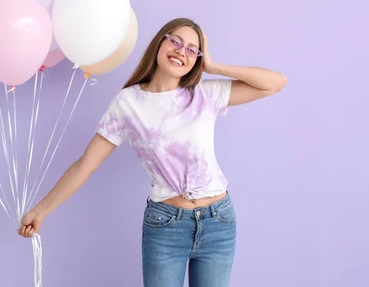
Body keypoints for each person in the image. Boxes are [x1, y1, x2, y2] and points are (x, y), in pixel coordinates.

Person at [18, 18, 287, 286]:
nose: (181, 51)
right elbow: (85, 165)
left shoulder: (204, 94)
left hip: (218, 220)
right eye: (176, 42)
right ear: (161, 41)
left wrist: (213, 66)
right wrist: (41, 210)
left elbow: (275, 83)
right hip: (166, 226)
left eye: (192, 49)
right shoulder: (128, 103)